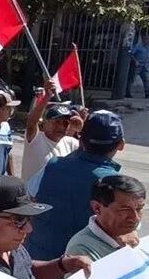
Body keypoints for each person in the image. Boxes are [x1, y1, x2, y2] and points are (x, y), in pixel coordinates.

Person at [25, 110, 124, 261]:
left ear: (82, 141)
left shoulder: (52, 166)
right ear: (121, 145)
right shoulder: (115, 184)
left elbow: (30, 198)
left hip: (38, 260)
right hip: (79, 267)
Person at [66, 175, 145, 261]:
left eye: (139, 209)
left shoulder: (125, 229)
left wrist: (132, 230)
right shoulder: (82, 250)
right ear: (97, 208)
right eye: (124, 210)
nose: (135, 218)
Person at [21, 88, 79, 180]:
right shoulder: (36, 139)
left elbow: (93, 151)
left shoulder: (71, 143)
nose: (61, 127)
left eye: (65, 123)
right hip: (33, 194)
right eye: (56, 122)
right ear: (44, 123)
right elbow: (31, 123)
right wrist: (47, 97)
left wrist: (81, 129)